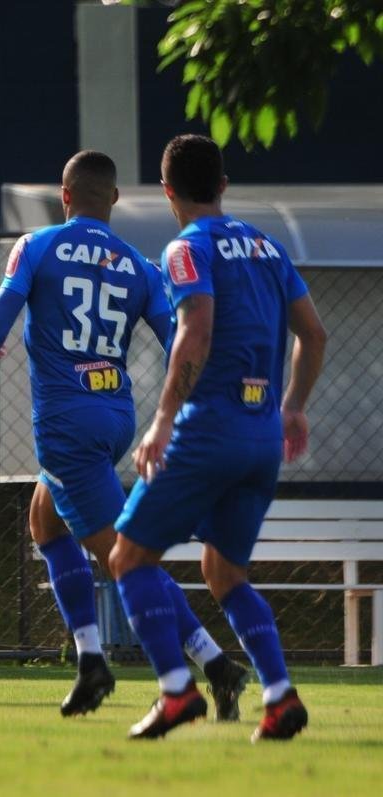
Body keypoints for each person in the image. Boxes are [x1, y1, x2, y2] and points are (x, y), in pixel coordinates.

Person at [0, 150, 246, 719]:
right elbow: (179, 340)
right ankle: (90, 661)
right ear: (115, 200)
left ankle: (214, 662)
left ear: (64, 194)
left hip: (66, 426)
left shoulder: (37, 245)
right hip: (117, 418)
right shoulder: (138, 265)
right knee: (44, 522)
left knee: (127, 559)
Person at [109, 134, 327, 741]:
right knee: (224, 571)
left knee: (128, 556)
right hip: (261, 440)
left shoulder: (186, 249)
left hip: (209, 431)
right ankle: (280, 696)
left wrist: (162, 420)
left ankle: (177, 691)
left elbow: (196, 329)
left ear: (168, 190)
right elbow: (315, 334)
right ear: (224, 185)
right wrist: (294, 408)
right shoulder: (268, 247)